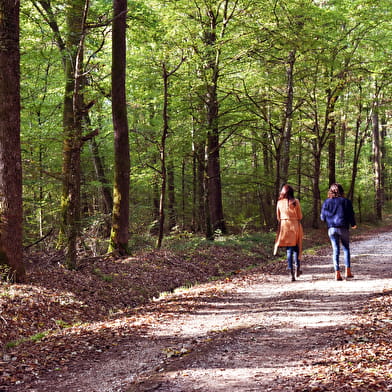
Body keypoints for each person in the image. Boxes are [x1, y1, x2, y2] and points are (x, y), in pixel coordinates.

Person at [320, 183, 357, 281]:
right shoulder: (346, 202)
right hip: (343, 228)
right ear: (342, 191)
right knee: (346, 249)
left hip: (332, 229)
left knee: (335, 250)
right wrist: (353, 224)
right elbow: (350, 214)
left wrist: (329, 219)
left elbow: (322, 217)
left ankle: (337, 273)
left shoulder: (326, 202)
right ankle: (348, 271)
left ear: (330, 192)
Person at [274, 184, 303, 281]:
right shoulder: (296, 202)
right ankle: (297, 269)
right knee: (296, 248)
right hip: (295, 226)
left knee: (289, 250)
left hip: (284, 227)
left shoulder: (279, 202)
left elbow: (278, 217)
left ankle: (290, 272)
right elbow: (300, 216)